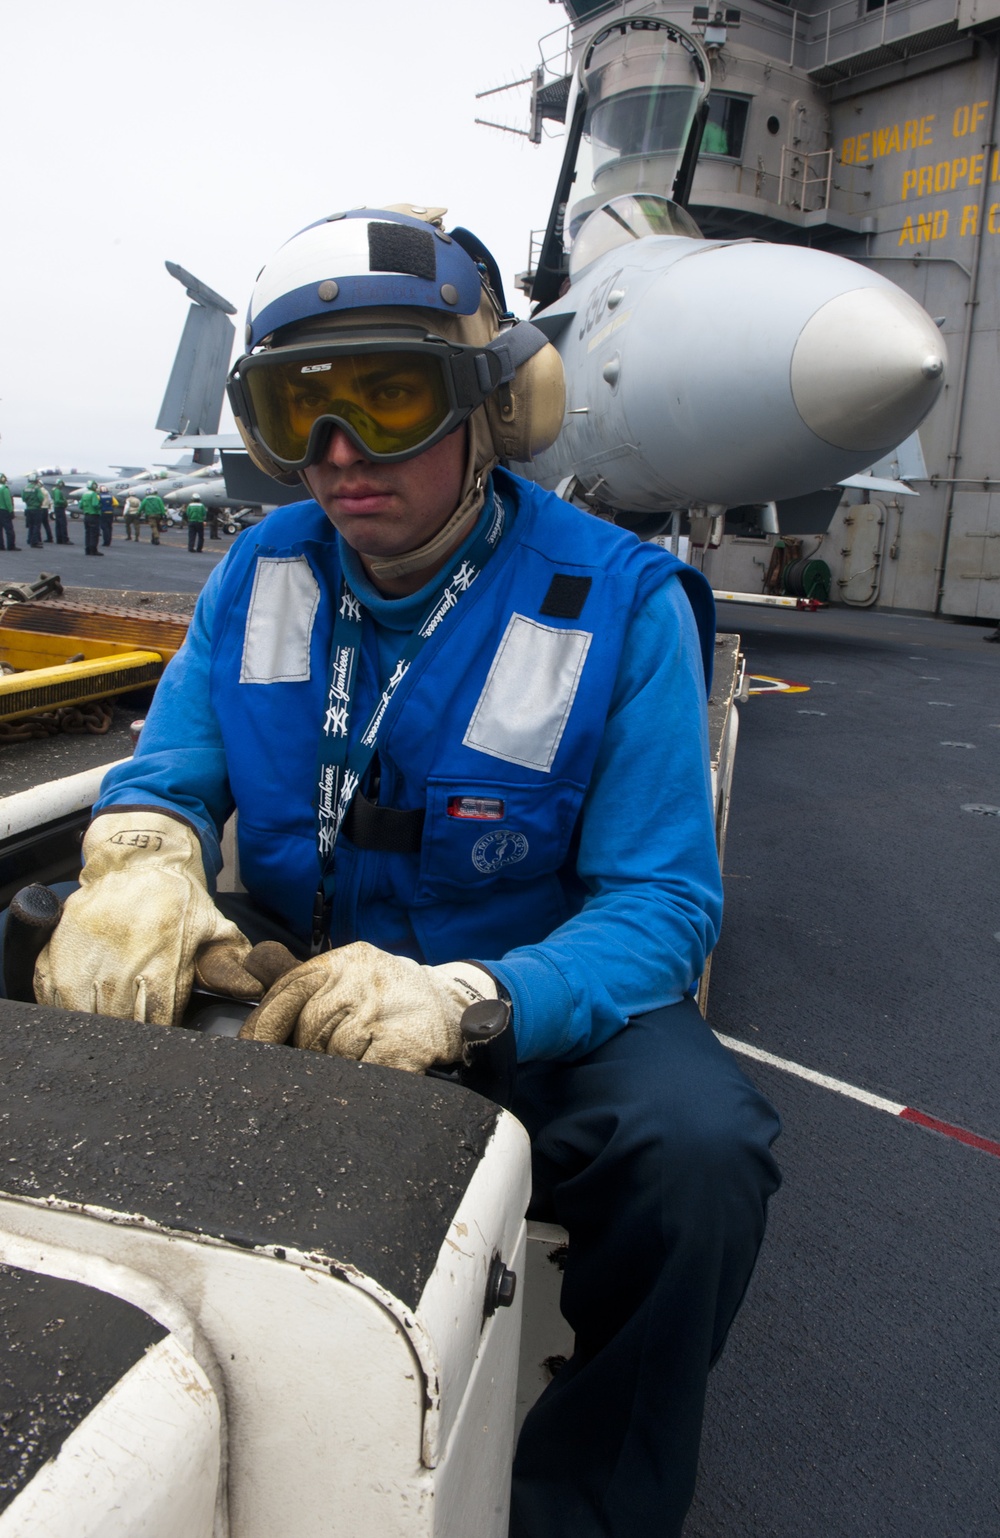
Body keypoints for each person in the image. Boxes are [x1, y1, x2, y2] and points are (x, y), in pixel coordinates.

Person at [31, 207, 780, 1538]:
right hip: (290, 967)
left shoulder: (618, 601)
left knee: (700, 1155)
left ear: (498, 407)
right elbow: (173, 769)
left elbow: (663, 905)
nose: (336, 458)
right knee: (38, 932)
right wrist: (145, 855)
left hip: (517, 993)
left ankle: (586, 1501)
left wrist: (473, 994)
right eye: (298, 410)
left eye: (388, 399)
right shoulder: (261, 567)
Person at [78, 479, 103, 556]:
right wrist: (100, 506)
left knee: (87, 533)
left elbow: (80, 505)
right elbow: (95, 504)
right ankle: (93, 550)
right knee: (94, 533)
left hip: (86, 516)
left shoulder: (84, 494)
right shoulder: (93, 494)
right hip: (94, 515)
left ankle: (87, 549)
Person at [21, 474, 46, 548]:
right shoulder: (37, 488)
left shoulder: (25, 488)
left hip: (28, 509)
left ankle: (30, 540)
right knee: (36, 525)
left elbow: (23, 498)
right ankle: (34, 542)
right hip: (36, 509)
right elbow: (41, 498)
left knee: (31, 525)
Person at [51, 478, 72, 544]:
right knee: (63, 524)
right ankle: (65, 539)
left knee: (58, 524)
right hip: (60, 508)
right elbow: (57, 501)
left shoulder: (54, 490)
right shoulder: (58, 491)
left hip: (57, 508)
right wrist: (64, 502)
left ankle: (59, 539)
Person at [0, 474, 17, 551]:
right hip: (4, 511)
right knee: (9, 530)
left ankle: (1, 546)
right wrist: (11, 511)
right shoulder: (5, 489)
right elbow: (8, 502)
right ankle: (11, 546)